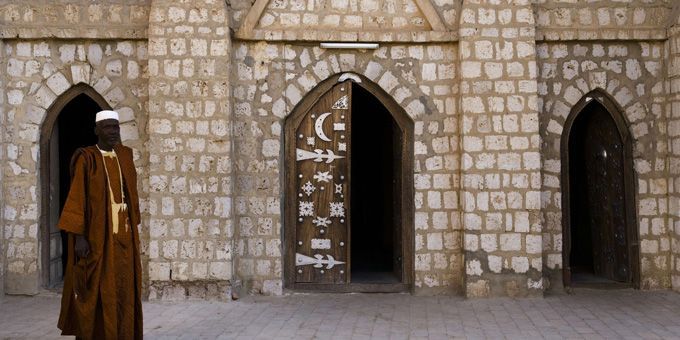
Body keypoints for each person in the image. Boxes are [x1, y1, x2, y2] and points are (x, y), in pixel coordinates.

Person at [57, 110, 143, 339]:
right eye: (107, 127)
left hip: (124, 237)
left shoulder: (124, 156)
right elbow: (76, 197)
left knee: (123, 288)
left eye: (116, 127)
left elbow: (130, 195)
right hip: (97, 236)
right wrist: (80, 237)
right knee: (96, 289)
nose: (113, 132)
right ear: (96, 130)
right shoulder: (87, 158)